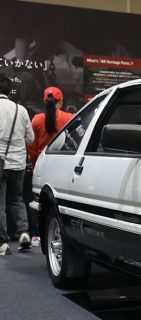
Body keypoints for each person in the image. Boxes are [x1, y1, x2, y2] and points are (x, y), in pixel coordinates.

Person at [27, 86, 73, 247]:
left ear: (44, 101)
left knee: (39, 202)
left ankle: (37, 235)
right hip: (63, 167)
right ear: (61, 101)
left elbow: (32, 147)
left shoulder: (37, 119)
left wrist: (34, 165)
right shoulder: (69, 118)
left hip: (42, 167)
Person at [0, 73, 35, 256]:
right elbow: (30, 138)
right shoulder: (20, 110)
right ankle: (23, 233)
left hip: (0, 161)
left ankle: (3, 243)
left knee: (0, 204)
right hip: (18, 163)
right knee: (17, 200)